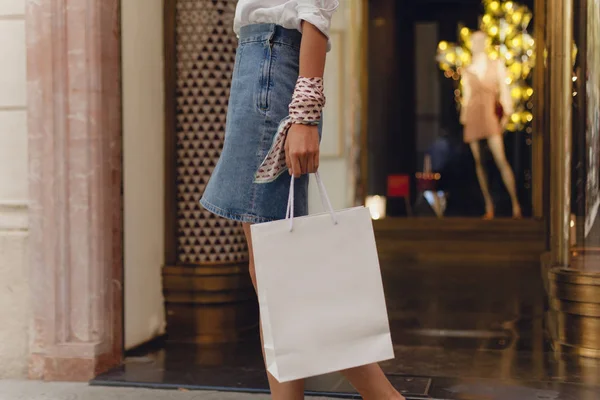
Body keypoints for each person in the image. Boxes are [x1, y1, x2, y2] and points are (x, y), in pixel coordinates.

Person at [200, 1, 404, 399]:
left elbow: (315, 10)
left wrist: (305, 114)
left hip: (273, 67)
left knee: (282, 275)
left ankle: (386, 397)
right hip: (258, 65)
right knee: (274, 273)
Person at [460, 31, 522, 219]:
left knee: (500, 159)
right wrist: (464, 119)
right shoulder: (467, 69)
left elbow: (504, 91)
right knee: (479, 163)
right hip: (473, 116)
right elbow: (466, 97)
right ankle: (489, 204)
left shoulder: (496, 65)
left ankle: (515, 204)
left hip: (489, 116)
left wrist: (506, 116)